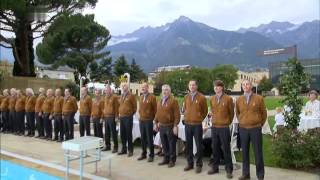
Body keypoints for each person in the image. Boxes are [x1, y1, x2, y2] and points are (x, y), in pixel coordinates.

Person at [236, 80, 267, 180]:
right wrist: (242, 121)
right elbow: (237, 113)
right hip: (243, 129)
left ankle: (260, 175)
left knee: (258, 153)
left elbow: (264, 113)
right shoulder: (239, 99)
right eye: (243, 85)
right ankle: (246, 174)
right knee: (244, 153)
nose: (245, 86)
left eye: (247, 84)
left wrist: (259, 124)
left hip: (255, 129)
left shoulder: (259, 98)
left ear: (251, 86)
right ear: (242, 86)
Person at [208, 80, 234, 179]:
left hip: (224, 127)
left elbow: (231, 114)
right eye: (214, 86)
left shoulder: (228, 99)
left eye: (218, 86)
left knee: (226, 149)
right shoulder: (212, 98)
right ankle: (215, 167)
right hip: (214, 127)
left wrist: (226, 122)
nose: (216, 88)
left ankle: (229, 170)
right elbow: (213, 111)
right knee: (215, 148)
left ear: (222, 87)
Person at [183, 80, 208, 173]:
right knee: (188, 145)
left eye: (193, 85)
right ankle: (190, 163)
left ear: (196, 86)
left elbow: (205, 111)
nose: (192, 86)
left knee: (198, 145)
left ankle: (199, 164)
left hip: (197, 125)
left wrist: (199, 118)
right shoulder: (186, 97)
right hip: (187, 124)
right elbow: (184, 108)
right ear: (188, 86)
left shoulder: (201, 97)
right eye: (190, 85)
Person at [155, 84, 180, 168]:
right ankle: (166, 158)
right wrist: (156, 122)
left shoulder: (174, 101)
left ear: (169, 91)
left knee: (171, 144)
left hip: (170, 126)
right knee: (164, 144)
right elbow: (157, 112)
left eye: (166, 90)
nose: (164, 91)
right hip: (161, 126)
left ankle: (172, 160)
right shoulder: (159, 100)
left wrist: (175, 126)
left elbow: (177, 115)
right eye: (163, 90)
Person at [137, 82, 157, 162]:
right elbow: (140, 109)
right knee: (143, 138)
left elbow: (156, 110)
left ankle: (151, 155)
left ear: (147, 88)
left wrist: (155, 121)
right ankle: (143, 153)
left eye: (144, 87)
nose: (143, 88)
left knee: (149, 138)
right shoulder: (141, 97)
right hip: (141, 120)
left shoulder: (152, 97)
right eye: (142, 87)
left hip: (149, 121)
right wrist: (139, 115)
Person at [118, 83, 137, 157]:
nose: (123, 87)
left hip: (128, 117)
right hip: (122, 117)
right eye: (122, 86)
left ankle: (130, 150)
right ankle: (124, 149)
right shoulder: (122, 95)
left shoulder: (131, 96)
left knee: (129, 134)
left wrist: (130, 114)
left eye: (125, 86)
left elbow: (135, 107)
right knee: (122, 134)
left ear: (128, 87)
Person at [103, 85, 119, 153]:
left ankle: (115, 147)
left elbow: (116, 107)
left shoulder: (114, 97)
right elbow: (105, 107)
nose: (106, 91)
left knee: (113, 133)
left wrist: (116, 116)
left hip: (112, 117)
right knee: (107, 133)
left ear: (110, 90)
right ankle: (107, 146)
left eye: (107, 90)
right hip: (106, 117)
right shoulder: (105, 97)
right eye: (105, 90)